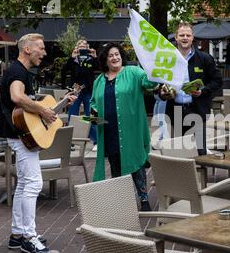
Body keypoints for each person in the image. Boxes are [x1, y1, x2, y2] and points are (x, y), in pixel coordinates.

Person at [0, 33, 76, 253]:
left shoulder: (23, 71)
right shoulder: (17, 71)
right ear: (27, 49)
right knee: (33, 183)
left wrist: (54, 108)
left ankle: (17, 233)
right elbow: (17, 97)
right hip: (19, 135)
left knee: (23, 185)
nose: (45, 52)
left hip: (20, 134)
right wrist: (42, 110)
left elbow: (31, 107)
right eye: (40, 47)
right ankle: (29, 238)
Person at [91, 42, 158, 211]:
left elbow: (149, 84)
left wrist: (153, 70)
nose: (115, 57)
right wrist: (93, 112)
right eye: (111, 55)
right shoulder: (99, 80)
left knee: (136, 162)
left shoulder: (134, 72)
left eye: (117, 54)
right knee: (115, 163)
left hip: (131, 129)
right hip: (109, 130)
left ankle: (143, 199)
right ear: (105, 60)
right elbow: (93, 102)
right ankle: (122, 200)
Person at [165, 22, 222, 155]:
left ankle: (200, 176)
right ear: (176, 38)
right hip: (175, 111)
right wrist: (164, 92)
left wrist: (203, 91)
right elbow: (160, 83)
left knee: (200, 151)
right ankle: (182, 176)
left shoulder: (205, 58)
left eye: (188, 35)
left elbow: (217, 81)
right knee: (179, 152)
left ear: (192, 38)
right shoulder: (168, 60)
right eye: (182, 35)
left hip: (197, 110)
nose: (185, 38)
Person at [62, 39, 98, 150]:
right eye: (80, 46)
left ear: (88, 48)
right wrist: (72, 58)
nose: (82, 48)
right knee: (72, 115)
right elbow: (64, 70)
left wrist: (95, 57)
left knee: (91, 116)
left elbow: (100, 68)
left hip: (88, 91)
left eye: (84, 46)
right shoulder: (74, 60)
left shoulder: (91, 59)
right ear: (77, 48)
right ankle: (69, 141)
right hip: (75, 91)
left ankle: (96, 140)